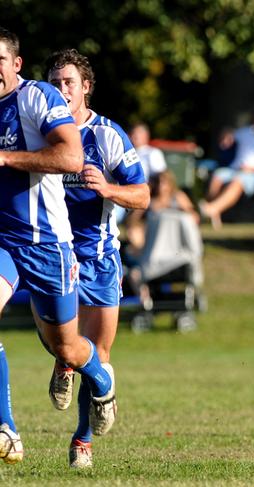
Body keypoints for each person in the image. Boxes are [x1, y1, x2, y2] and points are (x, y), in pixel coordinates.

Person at [0, 27, 115, 464]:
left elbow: (70, 158)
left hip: (49, 245)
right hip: (4, 243)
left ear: (16, 64)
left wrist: (6, 158)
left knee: (65, 347)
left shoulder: (37, 98)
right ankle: (6, 428)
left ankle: (101, 382)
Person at [45, 48, 150, 468]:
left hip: (101, 259)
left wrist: (107, 190)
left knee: (99, 357)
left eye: (68, 82)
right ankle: (63, 361)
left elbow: (141, 195)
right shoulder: (40, 133)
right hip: (54, 255)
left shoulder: (107, 136)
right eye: (54, 83)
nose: (61, 89)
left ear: (85, 87)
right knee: (66, 346)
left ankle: (81, 443)